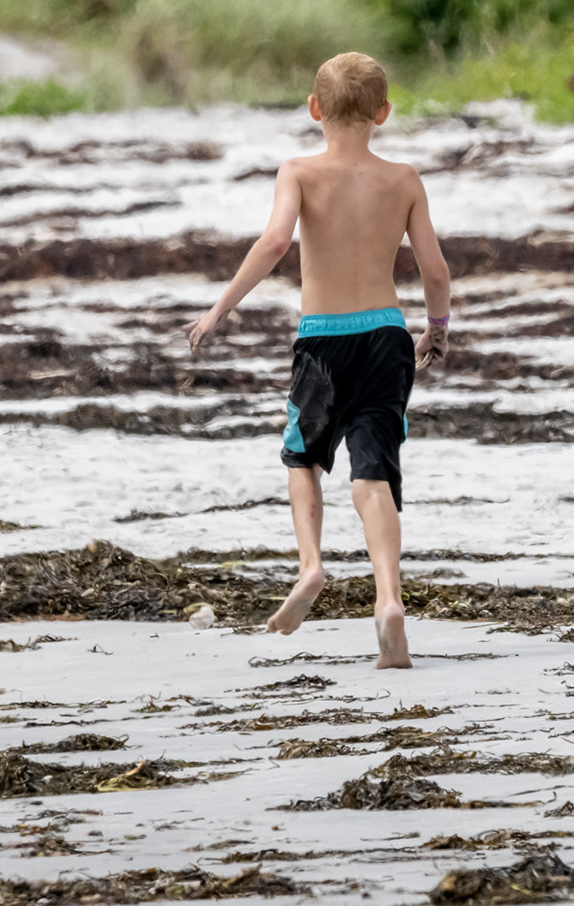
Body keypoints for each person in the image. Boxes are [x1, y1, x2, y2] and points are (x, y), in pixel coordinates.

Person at [186, 52, 451, 669]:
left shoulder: (298, 173)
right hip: (387, 338)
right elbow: (435, 271)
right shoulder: (405, 179)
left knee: (302, 457)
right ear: (383, 113)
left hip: (323, 341)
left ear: (314, 109)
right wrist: (437, 330)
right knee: (374, 475)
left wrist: (218, 309)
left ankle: (311, 567)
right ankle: (388, 601)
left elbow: (275, 242)